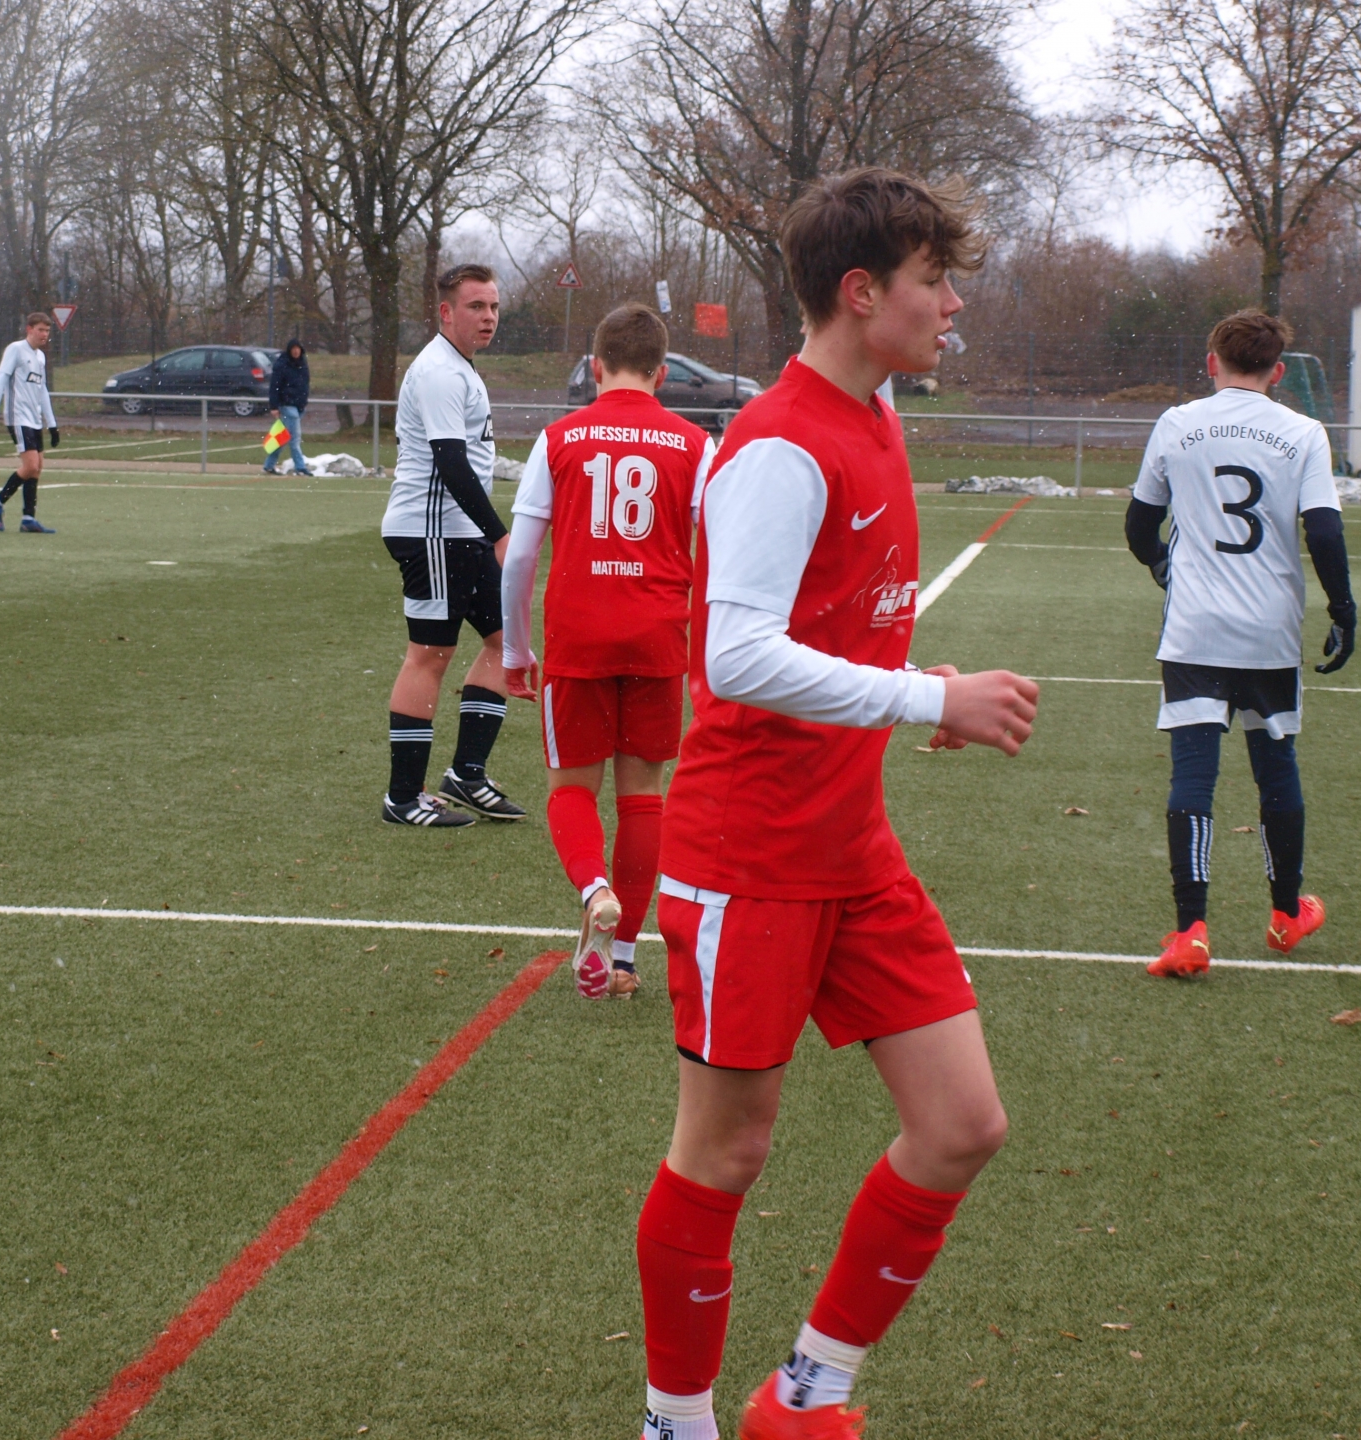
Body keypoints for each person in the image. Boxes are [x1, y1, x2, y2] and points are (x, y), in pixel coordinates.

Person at [633, 169, 1039, 1440]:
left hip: (851, 848)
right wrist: (925, 697)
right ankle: (675, 1422)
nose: (952, 304)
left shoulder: (878, 415)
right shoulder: (779, 445)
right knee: (726, 1151)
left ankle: (805, 1392)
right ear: (862, 294)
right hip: (747, 855)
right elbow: (736, 656)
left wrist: (911, 688)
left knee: (962, 1123)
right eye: (933, 280)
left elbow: (823, 630)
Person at [1123, 309, 1358, 977]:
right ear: (1278, 372)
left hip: (1195, 628)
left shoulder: (1178, 423)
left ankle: (1190, 931)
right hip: (1269, 632)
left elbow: (1139, 526)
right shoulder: (1304, 432)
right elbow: (1324, 531)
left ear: (1211, 363)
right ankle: (1286, 915)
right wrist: (1343, 609)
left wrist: (1162, 564)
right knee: (1275, 770)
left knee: (1193, 778)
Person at [500, 303, 714, 1000]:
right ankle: (622, 958)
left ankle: (595, 890)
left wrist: (516, 650)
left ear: (595, 368)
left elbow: (520, 558)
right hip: (658, 636)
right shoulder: (695, 444)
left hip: (579, 637)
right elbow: (719, 552)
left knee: (571, 789)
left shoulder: (558, 437)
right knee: (643, 797)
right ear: (662, 372)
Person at [379, 263, 522, 828]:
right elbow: (450, 462)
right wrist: (501, 534)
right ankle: (402, 798)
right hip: (434, 532)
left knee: (503, 643)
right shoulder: (440, 370)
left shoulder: (461, 367)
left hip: (460, 534)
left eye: (493, 306)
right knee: (429, 656)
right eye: (475, 306)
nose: (488, 317)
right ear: (446, 312)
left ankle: (465, 774)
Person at [0, 313, 60, 534]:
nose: (44, 335)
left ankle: (28, 518)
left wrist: (52, 424)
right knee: (30, 466)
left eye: (47, 331)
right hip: (18, 417)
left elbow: (42, 390)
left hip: (34, 419)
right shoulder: (16, 349)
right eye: (40, 330)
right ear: (29, 329)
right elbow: (0, 380)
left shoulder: (40, 357)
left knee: (37, 469)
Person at [264, 338, 312, 476]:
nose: (296, 351)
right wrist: (274, 406)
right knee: (295, 439)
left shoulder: (302, 364)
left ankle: (269, 465)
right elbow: (274, 387)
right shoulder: (282, 365)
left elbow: (305, 385)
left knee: (283, 437)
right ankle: (300, 467)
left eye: (298, 349)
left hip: (299, 405)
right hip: (287, 405)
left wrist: (303, 402)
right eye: (293, 349)